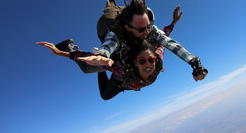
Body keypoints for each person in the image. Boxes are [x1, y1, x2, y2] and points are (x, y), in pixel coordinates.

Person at [37, 7, 184, 99]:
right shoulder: (123, 69)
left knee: (104, 90)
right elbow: (86, 58)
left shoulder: (155, 57)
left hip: (126, 81)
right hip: (120, 80)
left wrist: (173, 23)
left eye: (151, 60)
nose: (148, 64)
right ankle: (70, 46)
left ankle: (101, 64)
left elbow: (163, 39)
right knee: (91, 70)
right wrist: (62, 52)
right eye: (143, 61)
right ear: (135, 62)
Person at [85, 0, 207, 82]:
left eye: (148, 26)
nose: (147, 31)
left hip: (134, 63)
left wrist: (193, 61)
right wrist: (102, 54)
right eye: (141, 29)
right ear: (128, 27)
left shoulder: (151, 30)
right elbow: (109, 44)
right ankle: (69, 47)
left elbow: (169, 43)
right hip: (123, 60)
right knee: (89, 69)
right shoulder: (116, 33)